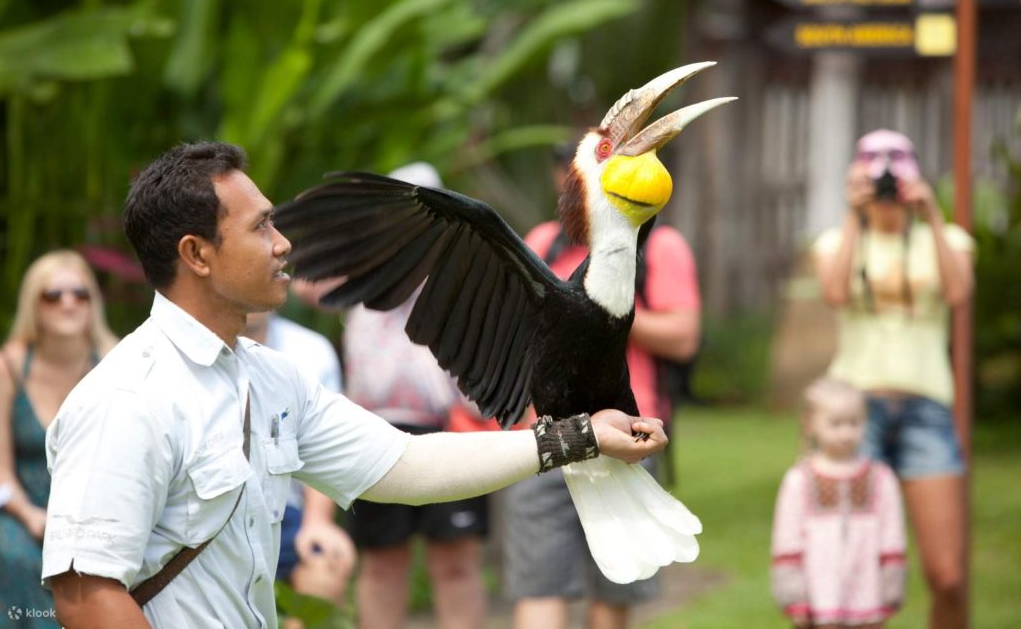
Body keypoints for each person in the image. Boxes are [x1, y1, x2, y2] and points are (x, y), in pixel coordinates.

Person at [40, 141, 667, 629]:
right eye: (260, 228)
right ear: (197, 255)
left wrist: (582, 437)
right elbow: (86, 595)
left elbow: (404, 463)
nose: (284, 244)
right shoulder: (127, 398)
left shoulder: (272, 377)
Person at [501, 145, 701, 629]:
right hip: (547, 431)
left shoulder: (657, 244)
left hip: (625, 429)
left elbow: (684, 337)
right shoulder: (543, 241)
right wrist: (587, 307)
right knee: (540, 585)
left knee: (615, 591)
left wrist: (606, 307)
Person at [812, 129, 974, 629]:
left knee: (948, 575)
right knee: (852, 570)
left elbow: (958, 292)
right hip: (854, 414)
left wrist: (932, 215)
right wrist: (852, 213)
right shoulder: (838, 239)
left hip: (927, 407)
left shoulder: (947, 238)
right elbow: (836, 294)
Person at [338, 162, 489, 629]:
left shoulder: (465, 265)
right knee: (382, 559)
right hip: (373, 426)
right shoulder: (362, 260)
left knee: (456, 560)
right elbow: (306, 279)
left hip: (451, 426)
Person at [0, 250, 118, 627]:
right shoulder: (7, 367)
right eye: (53, 295)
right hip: (25, 510)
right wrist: (31, 515)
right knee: (16, 557)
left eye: (80, 294)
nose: (68, 303)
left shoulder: (118, 364)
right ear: (33, 305)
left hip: (101, 512)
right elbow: (0, 472)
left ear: (93, 303)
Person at [243, 310, 356, 621]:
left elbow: (328, 446)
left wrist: (318, 522)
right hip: (215, 514)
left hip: (287, 510)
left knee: (324, 564)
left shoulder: (310, 350)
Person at [771, 377, 906, 628]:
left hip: (868, 595)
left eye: (854, 423)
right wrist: (794, 595)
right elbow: (787, 537)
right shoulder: (799, 480)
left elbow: (892, 534)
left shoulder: (881, 479)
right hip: (818, 598)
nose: (846, 432)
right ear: (810, 424)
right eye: (835, 424)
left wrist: (891, 586)